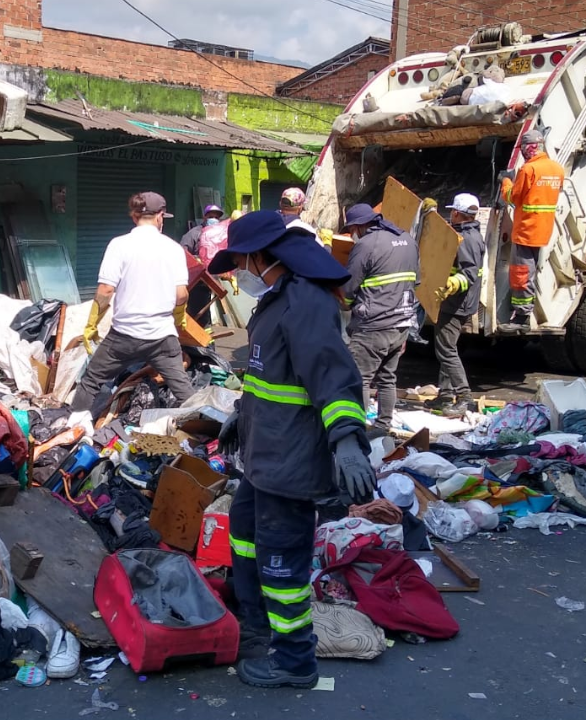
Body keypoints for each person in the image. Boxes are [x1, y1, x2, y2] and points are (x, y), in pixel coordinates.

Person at [209, 211, 374, 689]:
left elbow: (332, 374)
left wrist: (346, 440)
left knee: (281, 559)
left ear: (261, 256)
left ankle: (295, 660)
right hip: (265, 454)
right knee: (243, 532)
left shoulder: (305, 300)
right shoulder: (276, 301)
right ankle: (258, 630)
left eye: (240, 261)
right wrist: (241, 414)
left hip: (291, 460)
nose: (238, 271)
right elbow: (271, 376)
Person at [72, 192, 195, 413]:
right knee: (184, 390)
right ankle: (210, 434)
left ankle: (71, 431)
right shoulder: (174, 249)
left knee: (91, 382)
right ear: (160, 217)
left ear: (134, 216)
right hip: (162, 337)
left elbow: (106, 290)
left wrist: (92, 324)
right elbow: (181, 295)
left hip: (123, 337)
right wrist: (178, 318)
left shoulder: (119, 245)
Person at [341, 203, 419, 432]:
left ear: (360, 225)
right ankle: (383, 426)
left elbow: (348, 289)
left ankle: (358, 428)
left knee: (360, 379)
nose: (352, 235)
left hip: (372, 326)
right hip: (401, 324)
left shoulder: (366, 245)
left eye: (351, 229)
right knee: (387, 378)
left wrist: (344, 306)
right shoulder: (407, 240)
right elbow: (416, 282)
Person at [499, 129, 564, 330]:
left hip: (526, 230)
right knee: (530, 272)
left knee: (521, 274)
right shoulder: (557, 169)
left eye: (524, 149)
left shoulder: (528, 170)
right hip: (543, 230)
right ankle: (524, 313)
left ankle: (522, 318)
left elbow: (512, 198)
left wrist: (506, 181)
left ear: (529, 148)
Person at [432, 193, 487, 415]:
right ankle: (445, 397)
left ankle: (464, 397)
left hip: (457, 303)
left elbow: (470, 273)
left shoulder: (468, 239)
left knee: (446, 350)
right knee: (447, 347)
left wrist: (452, 284)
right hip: (458, 301)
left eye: (451, 212)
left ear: (456, 213)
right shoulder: (468, 233)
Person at [180, 204, 225, 325]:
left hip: (210, 281)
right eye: (211, 216)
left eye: (217, 217)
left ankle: (205, 340)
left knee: (204, 314)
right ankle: (200, 342)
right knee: (196, 314)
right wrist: (197, 260)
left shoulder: (219, 236)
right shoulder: (194, 234)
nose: (214, 219)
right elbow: (182, 253)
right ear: (205, 217)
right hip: (195, 282)